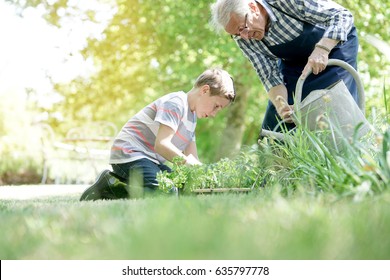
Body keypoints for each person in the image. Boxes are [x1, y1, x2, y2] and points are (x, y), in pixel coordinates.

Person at [80, 68, 236, 201]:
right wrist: (186, 164)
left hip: (148, 160)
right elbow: (162, 145)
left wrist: (205, 176)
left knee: (185, 188)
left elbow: (193, 159)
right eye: (216, 106)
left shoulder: (192, 118)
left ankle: (121, 183)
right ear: (205, 90)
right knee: (167, 191)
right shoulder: (176, 103)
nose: (215, 113)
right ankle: (111, 185)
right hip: (130, 154)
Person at [210, 0, 359, 133]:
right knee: (277, 124)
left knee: (328, 105)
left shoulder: (284, 2)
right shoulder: (242, 37)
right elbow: (269, 74)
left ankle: (340, 158)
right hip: (295, 63)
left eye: (243, 28)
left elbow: (342, 16)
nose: (244, 36)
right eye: (236, 34)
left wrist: (322, 49)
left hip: (333, 49)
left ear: (253, 7)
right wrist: (282, 106)